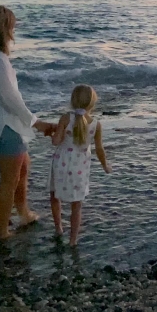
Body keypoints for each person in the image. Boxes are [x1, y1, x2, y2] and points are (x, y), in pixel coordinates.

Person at [0, 5, 56, 241]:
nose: (13, 30)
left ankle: (23, 212)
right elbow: (10, 99)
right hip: (5, 125)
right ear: (3, 28)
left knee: (23, 167)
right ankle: (1, 231)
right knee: (9, 180)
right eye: (11, 25)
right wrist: (37, 123)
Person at [49, 84, 111, 246]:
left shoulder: (65, 118)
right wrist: (105, 166)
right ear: (92, 103)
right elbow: (99, 149)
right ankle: (73, 240)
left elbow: (56, 141)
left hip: (62, 163)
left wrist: (53, 134)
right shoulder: (96, 124)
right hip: (80, 167)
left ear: (72, 101)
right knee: (77, 206)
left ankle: (59, 228)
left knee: (55, 196)